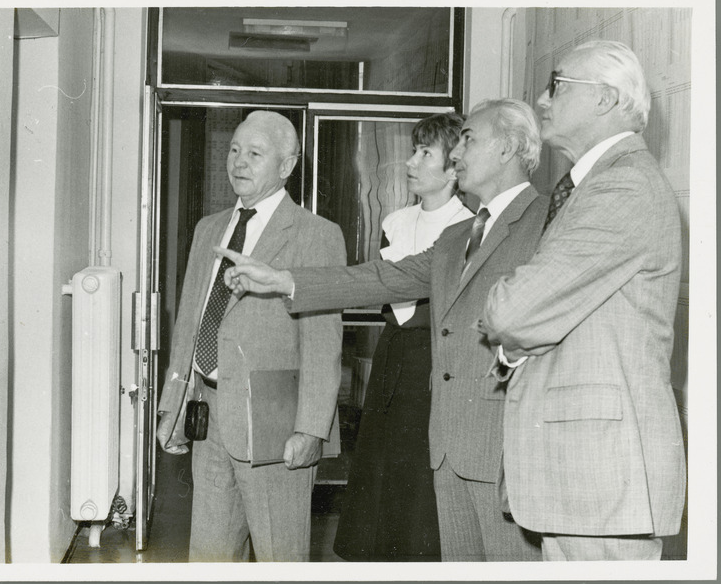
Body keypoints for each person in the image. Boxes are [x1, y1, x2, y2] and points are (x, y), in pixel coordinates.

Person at [218, 99, 547, 562]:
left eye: (468, 140)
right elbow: (380, 278)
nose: (455, 155)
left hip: (502, 450)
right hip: (446, 446)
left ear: (509, 148)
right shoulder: (460, 237)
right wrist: (285, 280)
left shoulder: (549, 220)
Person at [480, 41, 686, 561]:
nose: (543, 101)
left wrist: (515, 334)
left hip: (602, 475)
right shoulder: (591, 185)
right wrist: (519, 340)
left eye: (557, 85)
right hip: (585, 476)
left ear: (604, 99)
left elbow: (511, 311)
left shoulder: (624, 187)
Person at [155, 110, 346, 562]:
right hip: (209, 413)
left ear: (286, 165)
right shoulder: (208, 229)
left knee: (280, 555)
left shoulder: (316, 235)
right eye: (235, 150)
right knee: (210, 555)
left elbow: (323, 343)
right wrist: (173, 405)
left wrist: (310, 428)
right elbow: (189, 324)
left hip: (276, 421)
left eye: (255, 154)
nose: (239, 162)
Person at [333, 112, 472, 562]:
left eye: (424, 153)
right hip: (393, 357)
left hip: (436, 363)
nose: (410, 162)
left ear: (453, 168)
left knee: (420, 481)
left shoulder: (469, 226)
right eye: (413, 150)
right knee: (379, 471)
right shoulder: (394, 221)